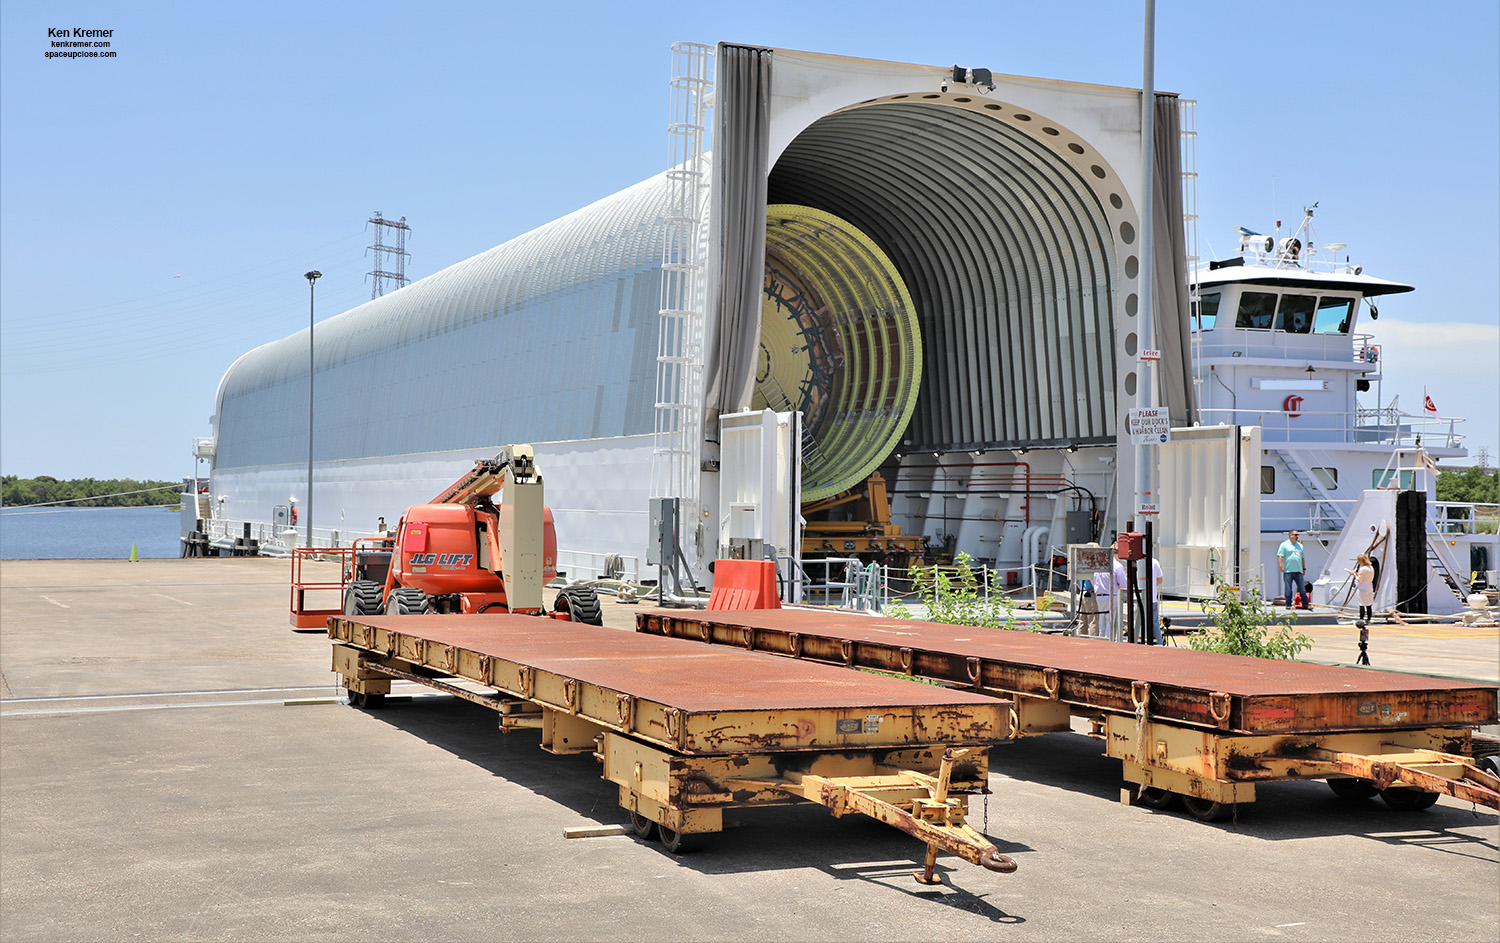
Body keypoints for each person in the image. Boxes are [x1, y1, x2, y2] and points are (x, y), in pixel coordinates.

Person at [1277, 530, 1305, 610]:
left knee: (1302, 588)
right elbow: (1280, 556)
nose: (1297, 536)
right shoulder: (1284, 545)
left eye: (1298, 535)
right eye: (1296, 535)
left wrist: (1304, 568)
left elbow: (1302, 558)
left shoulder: (1300, 546)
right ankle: (1288, 604)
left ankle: (1305, 604)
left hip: (1298, 570)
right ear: (1290, 535)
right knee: (1288, 588)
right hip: (1288, 571)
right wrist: (1281, 566)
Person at [1351, 552, 1375, 623]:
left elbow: (1359, 580)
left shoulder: (1363, 569)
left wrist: (1354, 574)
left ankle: (1361, 619)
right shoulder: (1371, 567)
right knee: (1369, 604)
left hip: (1363, 588)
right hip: (1369, 586)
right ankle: (1369, 619)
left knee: (1362, 604)